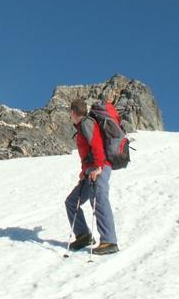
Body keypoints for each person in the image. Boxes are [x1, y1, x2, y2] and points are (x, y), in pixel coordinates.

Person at [64, 99, 119, 254]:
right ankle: (83, 236)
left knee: (99, 200)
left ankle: (109, 241)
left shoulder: (87, 123)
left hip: (100, 168)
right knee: (72, 202)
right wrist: (85, 171)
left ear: (72, 112)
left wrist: (98, 166)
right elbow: (87, 152)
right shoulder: (82, 126)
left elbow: (96, 144)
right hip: (91, 171)